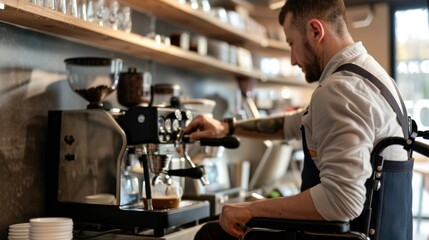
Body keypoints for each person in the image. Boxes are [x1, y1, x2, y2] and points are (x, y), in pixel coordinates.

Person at [185, 0, 412, 240]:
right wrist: (226, 127)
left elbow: (342, 201)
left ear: (316, 31)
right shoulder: (373, 77)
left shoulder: (339, 90)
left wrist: (250, 209)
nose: (293, 59)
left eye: (292, 43)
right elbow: (293, 124)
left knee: (212, 234)